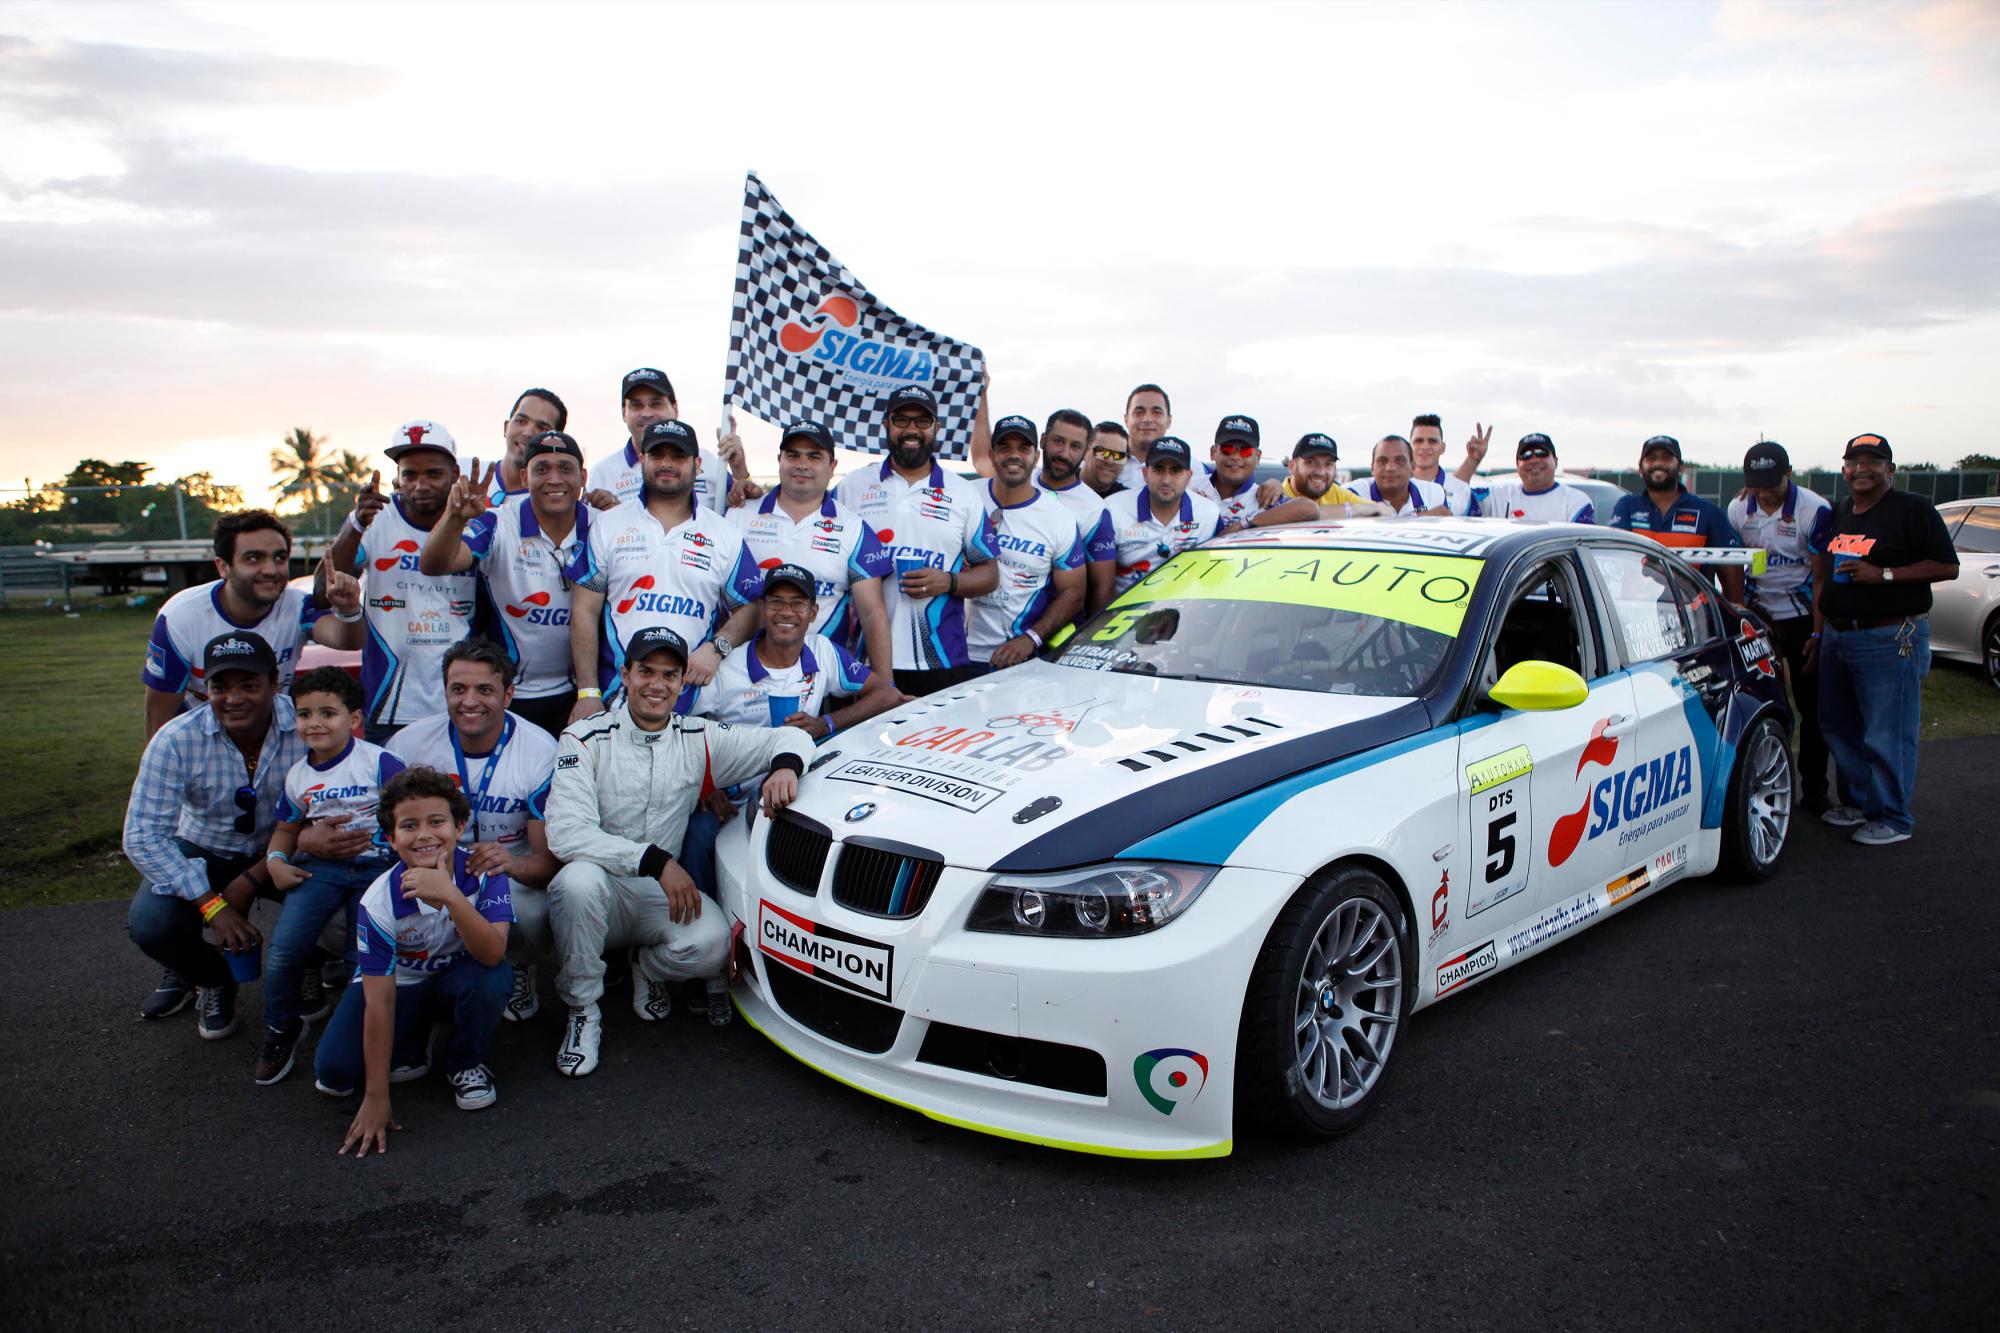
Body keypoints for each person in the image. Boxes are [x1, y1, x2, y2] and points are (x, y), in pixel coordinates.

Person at [543, 626, 813, 1077]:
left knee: (711, 947)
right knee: (576, 881)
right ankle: (583, 1009)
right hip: (601, 892)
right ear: (625, 676)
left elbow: (787, 739)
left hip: (657, 894)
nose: (657, 684)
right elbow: (567, 834)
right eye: (646, 671)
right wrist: (657, 860)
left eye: (669, 675)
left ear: (681, 681)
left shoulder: (698, 735)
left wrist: (784, 769)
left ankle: (647, 968)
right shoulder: (582, 738)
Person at [676, 564, 906, 1020]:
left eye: (797, 603)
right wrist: (704, 785)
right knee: (698, 836)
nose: (786, 612)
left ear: (814, 611)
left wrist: (828, 723)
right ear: (761, 609)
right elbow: (680, 727)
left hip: (792, 791)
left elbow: (884, 691)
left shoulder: (823, 652)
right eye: (776, 602)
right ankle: (711, 968)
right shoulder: (729, 667)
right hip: (730, 795)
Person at [317, 766, 516, 1151]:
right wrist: (376, 1097)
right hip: (401, 987)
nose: (425, 834)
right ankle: (414, 1039)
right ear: (391, 839)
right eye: (409, 826)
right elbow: (380, 1001)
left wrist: (452, 896)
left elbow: (493, 953)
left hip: (459, 977)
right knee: (335, 1075)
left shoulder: (484, 871)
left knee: (493, 977)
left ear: (459, 827)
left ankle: (463, 1062)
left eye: (437, 821)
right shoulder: (377, 900)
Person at [125, 632, 304, 1038]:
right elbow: (142, 835)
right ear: (206, 688)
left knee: (337, 903)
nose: (233, 698)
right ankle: (212, 978)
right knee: (151, 924)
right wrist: (212, 906)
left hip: (284, 847)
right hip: (204, 846)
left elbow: (326, 813)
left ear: (275, 684)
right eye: (220, 686)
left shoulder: (305, 726)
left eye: (249, 685)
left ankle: (310, 968)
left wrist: (252, 878)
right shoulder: (175, 738)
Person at [231, 667, 404, 1085]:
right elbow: (288, 828)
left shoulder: (379, 762)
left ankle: (357, 1035)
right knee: (285, 950)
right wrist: (274, 860)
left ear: (355, 719)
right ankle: (281, 1027)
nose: (315, 723)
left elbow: (409, 809)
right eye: (305, 714)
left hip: (375, 868)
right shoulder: (299, 776)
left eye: (328, 713)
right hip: (322, 870)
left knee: (358, 959)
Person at [386, 637, 559, 1022]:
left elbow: (546, 864)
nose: (469, 701)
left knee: (531, 907)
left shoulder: (540, 750)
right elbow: (385, 828)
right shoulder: (409, 743)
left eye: (485, 690)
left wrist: (512, 865)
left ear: (509, 693)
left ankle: (519, 964)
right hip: (433, 861)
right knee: (366, 895)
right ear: (444, 691)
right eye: (458, 689)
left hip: (504, 865)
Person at [1810, 433, 1959, 846]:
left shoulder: (1912, 509)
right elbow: (1822, 574)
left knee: (1886, 731)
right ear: (1844, 470)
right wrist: (1820, 631)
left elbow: (1948, 567)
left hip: (1890, 635)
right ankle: (1860, 803)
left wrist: (1885, 575)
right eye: (1854, 461)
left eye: (1873, 461)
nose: (1862, 468)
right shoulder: (1841, 511)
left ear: (1889, 469)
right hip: (1840, 635)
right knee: (1838, 727)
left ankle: (1893, 817)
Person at [567, 418, 765, 714]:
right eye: (658, 455)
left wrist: (717, 648)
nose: (667, 463)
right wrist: (587, 693)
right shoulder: (607, 526)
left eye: (678, 456)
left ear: (697, 464)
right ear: (643, 459)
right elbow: (584, 611)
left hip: (692, 702)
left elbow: (751, 607)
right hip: (615, 700)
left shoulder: (724, 534)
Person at [419, 431, 591, 737]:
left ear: (583, 476)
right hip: (512, 694)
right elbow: (435, 564)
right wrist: (454, 519)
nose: (554, 479)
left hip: (582, 695)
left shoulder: (602, 524)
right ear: (524, 477)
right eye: (542, 469)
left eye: (565, 468)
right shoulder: (496, 522)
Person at [834, 385, 1000, 695]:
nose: (912, 429)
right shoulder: (852, 486)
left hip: (941, 659)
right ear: (886, 424)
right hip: (863, 659)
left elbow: (990, 574)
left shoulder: (962, 493)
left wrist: (949, 582)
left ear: (937, 427)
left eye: (922, 421)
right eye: (902, 420)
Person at [142, 511, 364, 740]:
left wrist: (349, 610)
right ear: (223, 567)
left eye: (279, 558)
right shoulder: (180, 617)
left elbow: (348, 640)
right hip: (201, 742)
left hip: (271, 738)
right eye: (253, 558)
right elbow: (159, 715)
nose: (270, 570)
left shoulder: (295, 605)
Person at [327, 420, 479, 743]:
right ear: (397, 477)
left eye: (433, 474)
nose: (420, 485)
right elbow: (320, 589)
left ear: (454, 474)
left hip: (460, 704)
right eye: (410, 474)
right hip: (389, 704)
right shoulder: (376, 519)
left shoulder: (474, 519)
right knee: (393, 793)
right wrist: (355, 523)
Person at [729, 419, 894, 672]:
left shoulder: (854, 529)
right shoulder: (739, 514)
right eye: (793, 455)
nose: (802, 465)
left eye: (814, 457)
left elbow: (872, 614)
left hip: (822, 678)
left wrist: (885, 682)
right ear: (779, 460)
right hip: (743, 674)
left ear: (832, 466)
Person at [1728, 441, 1835, 810]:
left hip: (1805, 618)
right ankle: (1768, 784)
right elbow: (1735, 568)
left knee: (1812, 708)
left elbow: (1822, 578)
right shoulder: (1739, 507)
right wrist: (1746, 617)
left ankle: (1816, 791)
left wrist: (1819, 634)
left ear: (1788, 474)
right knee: (1763, 704)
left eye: (1772, 482)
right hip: (1760, 620)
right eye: (1756, 483)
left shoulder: (1815, 509)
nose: (1764, 491)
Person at [972, 415, 1088, 667]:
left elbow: (1074, 592)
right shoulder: (965, 497)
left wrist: (1031, 638)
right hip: (952, 652)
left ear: (1036, 456)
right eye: (1005, 448)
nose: (1014, 455)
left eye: (1023, 448)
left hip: (1014, 658)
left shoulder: (1060, 518)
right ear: (992, 454)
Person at [585, 367, 746, 512]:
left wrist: (739, 470)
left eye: (656, 404)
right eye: (636, 405)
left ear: (675, 409)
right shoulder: (602, 473)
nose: (646, 413)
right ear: (623, 413)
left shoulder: (709, 463)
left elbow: (743, 508)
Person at [1609, 434, 1744, 600]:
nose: (1658, 463)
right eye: (1651, 458)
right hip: (1638, 616)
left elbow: (1732, 569)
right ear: (1640, 469)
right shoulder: (1627, 507)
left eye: (1666, 458)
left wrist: (1734, 612)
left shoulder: (1708, 512)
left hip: (1695, 618)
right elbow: (1614, 560)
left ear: (1680, 468)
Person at [1111, 437, 1225, 593]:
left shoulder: (1209, 513)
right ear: (1145, 473)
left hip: (1188, 611)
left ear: (1189, 476)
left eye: (1176, 471)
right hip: (1125, 612)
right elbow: (1102, 587)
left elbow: (1219, 578)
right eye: (1158, 469)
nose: (1166, 480)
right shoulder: (1113, 509)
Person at [1034, 409, 1118, 620]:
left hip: (1053, 636)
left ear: (1086, 451)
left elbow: (1103, 590)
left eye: (1075, 446)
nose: (1064, 453)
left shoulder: (1095, 510)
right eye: (1058, 441)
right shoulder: (1017, 484)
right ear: (1043, 440)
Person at [1470, 434, 1595, 523]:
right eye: (1526, 455)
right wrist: (1472, 461)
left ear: (1555, 461)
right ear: (1517, 465)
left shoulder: (1576, 501)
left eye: (1542, 453)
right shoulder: (1500, 495)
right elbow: (1459, 496)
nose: (1534, 460)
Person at [1251, 433, 1372, 525]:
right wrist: (1356, 510)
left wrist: (1369, 509)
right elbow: (1303, 513)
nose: (1320, 472)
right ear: (1292, 466)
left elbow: (1381, 510)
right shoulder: (1274, 496)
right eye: (1310, 462)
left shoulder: (1335, 492)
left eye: (1328, 464)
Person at [486, 387, 569, 505]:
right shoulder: (462, 473)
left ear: (557, 443)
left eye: (542, 428)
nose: (528, 433)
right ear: (506, 427)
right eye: (521, 421)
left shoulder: (552, 508)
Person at [1192, 414, 1269, 530]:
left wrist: (1246, 522)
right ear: (1213, 452)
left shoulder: (1266, 498)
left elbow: (1306, 508)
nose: (1235, 457)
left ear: (1257, 457)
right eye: (1227, 449)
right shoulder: (1189, 488)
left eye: (1245, 451)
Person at [1352, 435, 1451, 517]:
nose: (1390, 468)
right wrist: (1421, 518)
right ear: (1372, 468)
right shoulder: (1353, 493)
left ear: (1412, 466)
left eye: (1400, 460)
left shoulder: (1434, 494)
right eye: (1382, 461)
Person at [1409, 414, 1476, 516]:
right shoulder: (1394, 486)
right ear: (1409, 447)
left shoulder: (1460, 488)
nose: (1425, 446)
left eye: (1432, 441)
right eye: (1419, 441)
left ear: (1443, 447)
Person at [1114, 384, 1174, 490]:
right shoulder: (1107, 459)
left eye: (1156, 412)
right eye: (1139, 412)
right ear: (1126, 419)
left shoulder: (1189, 466)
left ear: (1169, 421)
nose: (1147, 419)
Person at [1083, 421, 1131, 498]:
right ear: (1085, 450)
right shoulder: (1060, 483)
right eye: (1103, 452)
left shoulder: (1128, 501)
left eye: (1118, 456)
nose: (1110, 461)